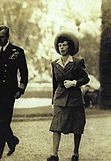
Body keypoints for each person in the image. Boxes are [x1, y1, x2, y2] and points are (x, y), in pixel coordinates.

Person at [0, 25, 28, 159]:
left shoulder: (17, 51)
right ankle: (12, 139)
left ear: (8, 36)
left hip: (9, 91)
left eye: (2, 37)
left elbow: (24, 72)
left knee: (5, 119)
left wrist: (21, 89)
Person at [47, 32, 90, 161]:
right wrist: (53, 101)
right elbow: (54, 84)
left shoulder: (77, 62)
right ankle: (54, 155)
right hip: (60, 98)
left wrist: (74, 83)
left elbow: (86, 78)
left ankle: (75, 153)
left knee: (77, 127)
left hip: (75, 99)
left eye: (64, 45)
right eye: (60, 45)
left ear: (70, 47)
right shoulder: (55, 64)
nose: (62, 48)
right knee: (56, 126)